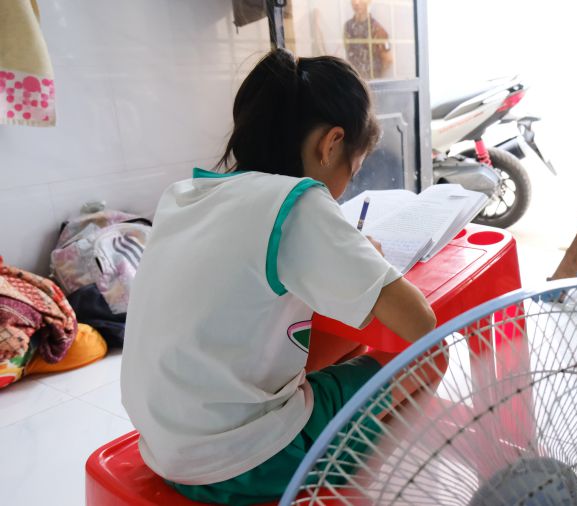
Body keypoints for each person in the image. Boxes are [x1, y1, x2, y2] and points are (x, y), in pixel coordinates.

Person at [121, 49, 438, 505]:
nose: (345, 185)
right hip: (246, 464)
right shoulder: (299, 203)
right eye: (353, 168)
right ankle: (376, 485)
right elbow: (420, 322)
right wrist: (368, 261)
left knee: (343, 346)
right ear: (331, 144)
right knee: (429, 358)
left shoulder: (185, 196)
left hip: (163, 447)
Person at [343, 0, 393, 79]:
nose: (356, 2)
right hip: (352, 80)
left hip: (370, 81)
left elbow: (388, 60)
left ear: (368, 1)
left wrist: (376, 79)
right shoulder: (348, 26)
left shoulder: (377, 29)